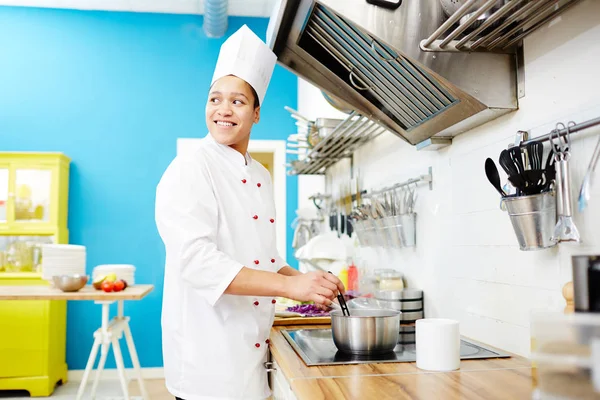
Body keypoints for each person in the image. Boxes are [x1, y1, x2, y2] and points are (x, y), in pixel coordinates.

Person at [155, 25, 345, 400]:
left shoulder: (259, 174)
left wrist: (307, 280)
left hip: (250, 352)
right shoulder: (190, 167)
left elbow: (263, 256)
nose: (223, 110)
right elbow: (196, 261)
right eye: (214, 99)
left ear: (256, 114)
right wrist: (291, 286)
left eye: (238, 102)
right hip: (206, 358)